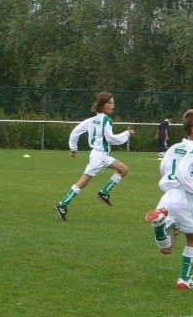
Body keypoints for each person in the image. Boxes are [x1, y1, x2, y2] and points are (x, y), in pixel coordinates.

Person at [145, 109, 193, 289]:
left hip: (167, 198)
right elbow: (183, 172)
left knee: (166, 249)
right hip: (184, 198)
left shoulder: (175, 147)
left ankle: (160, 224)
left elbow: (164, 168)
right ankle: (185, 279)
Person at [55, 92, 135, 221]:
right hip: (99, 156)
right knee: (83, 182)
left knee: (124, 169)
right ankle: (62, 204)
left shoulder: (91, 120)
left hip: (100, 155)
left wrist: (73, 148)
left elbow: (76, 131)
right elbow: (111, 139)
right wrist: (126, 134)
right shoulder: (106, 120)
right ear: (103, 105)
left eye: (113, 102)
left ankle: (104, 192)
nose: (113, 105)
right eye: (110, 103)